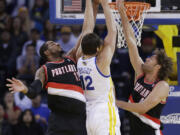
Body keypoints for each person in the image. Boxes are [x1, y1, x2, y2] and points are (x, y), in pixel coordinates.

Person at [6, 0, 98, 135]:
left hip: (79, 119)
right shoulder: (44, 70)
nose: (56, 42)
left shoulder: (70, 57)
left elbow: (86, 32)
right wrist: (24, 89)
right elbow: (33, 91)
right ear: (46, 52)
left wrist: (91, 5)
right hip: (59, 122)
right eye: (51, 43)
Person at [115, 0, 173, 135]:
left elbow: (142, 108)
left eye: (151, 58)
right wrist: (122, 12)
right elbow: (131, 42)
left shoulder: (162, 86)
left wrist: (116, 102)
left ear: (158, 67)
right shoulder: (140, 72)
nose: (147, 58)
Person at [77, 0, 121, 135]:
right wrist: (105, 3)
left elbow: (87, 28)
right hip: (104, 113)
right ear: (98, 49)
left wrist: (90, 3)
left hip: (87, 113)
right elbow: (113, 32)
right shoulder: (101, 62)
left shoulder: (79, 58)